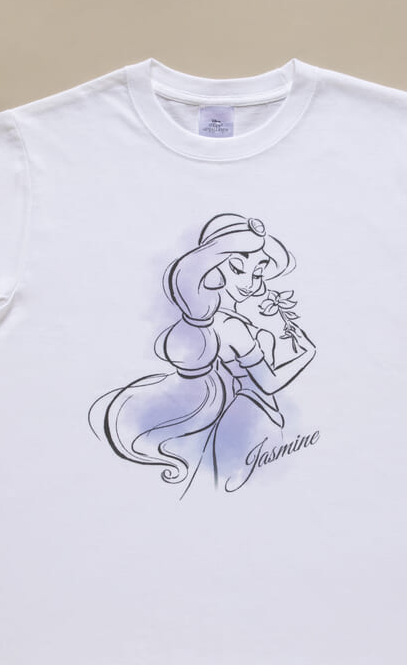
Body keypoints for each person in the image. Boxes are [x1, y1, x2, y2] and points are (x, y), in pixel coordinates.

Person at [88, 212, 316, 496]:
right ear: (214, 268)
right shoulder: (230, 326)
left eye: (258, 273)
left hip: (249, 414)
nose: (252, 282)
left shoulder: (217, 320)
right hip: (254, 413)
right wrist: (306, 354)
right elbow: (268, 384)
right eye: (239, 269)